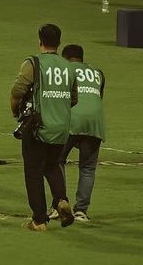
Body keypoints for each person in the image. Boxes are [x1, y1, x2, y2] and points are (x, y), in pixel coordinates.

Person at [10, 23, 78, 231]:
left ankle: (39, 220)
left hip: (38, 126)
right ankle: (61, 200)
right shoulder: (69, 67)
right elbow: (73, 98)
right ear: (59, 42)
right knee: (52, 165)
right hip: (61, 128)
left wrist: (16, 112)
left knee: (33, 172)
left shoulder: (33, 63)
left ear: (40, 41)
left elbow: (17, 91)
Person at [58, 44, 105, 222]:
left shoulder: (65, 70)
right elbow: (98, 97)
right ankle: (81, 211)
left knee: (57, 161)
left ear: (65, 58)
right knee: (87, 168)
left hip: (71, 120)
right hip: (94, 123)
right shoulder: (98, 73)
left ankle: (59, 205)